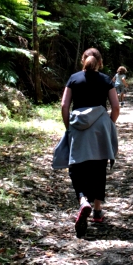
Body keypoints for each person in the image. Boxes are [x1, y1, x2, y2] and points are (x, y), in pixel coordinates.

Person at [53, 47, 120, 238]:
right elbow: (115, 106)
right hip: (100, 127)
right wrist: (109, 123)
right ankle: (97, 211)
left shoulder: (74, 79)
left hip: (78, 127)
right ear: (100, 62)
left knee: (76, 166)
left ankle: (83, 200)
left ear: (83, 60)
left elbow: (64, 105)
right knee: (99, 165)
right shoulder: (107, 80)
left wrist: (69, 126)